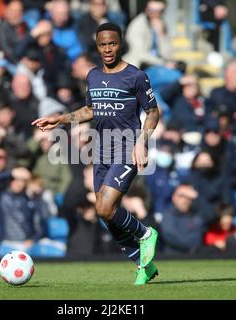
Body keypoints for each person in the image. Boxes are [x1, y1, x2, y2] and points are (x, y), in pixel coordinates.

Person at [32, 22, 159, 285]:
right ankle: (141, 265)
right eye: (103, 44)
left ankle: (146, 234)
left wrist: (142, 141)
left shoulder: (136, 76)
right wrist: (61, 119)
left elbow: (153, 112)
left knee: (103, 206)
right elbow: (90, 110)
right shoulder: (93, 76)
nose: (108, 49)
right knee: (105, 213)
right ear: (97, 46)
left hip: (126, 148)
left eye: (112, 43)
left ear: (120, 43)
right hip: (100, 151)